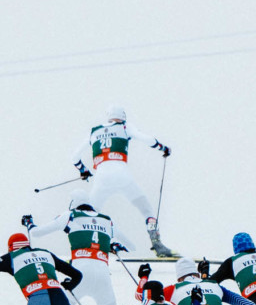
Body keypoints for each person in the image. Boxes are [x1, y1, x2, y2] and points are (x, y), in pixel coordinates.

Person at [75, 106, 179, 259]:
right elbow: (146, 139)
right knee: (147, 211)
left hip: (101, 179)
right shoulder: (124, 127)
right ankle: (157, 244)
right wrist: (163, 148)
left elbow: (74, 157)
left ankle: (84, 249)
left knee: (90, 214)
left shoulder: (94, 131)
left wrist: (83, 170)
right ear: (123, 117)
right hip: (122, 177)